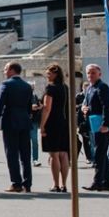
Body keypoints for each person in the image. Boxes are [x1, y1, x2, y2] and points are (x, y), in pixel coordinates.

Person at [0, 61, 33, 193]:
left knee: (12, 153)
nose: (4, 72)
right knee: (25, 154)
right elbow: (29, 107)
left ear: (11, 70)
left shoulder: (6, 84)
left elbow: (0, 103)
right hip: (24, 121)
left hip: (10, 120)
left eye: (5, 69)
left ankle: (16, 183)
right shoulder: (27, 86)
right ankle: (27, 183)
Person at [81, 63, 109, 192]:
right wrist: (84, 108)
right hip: (93, 123)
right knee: (102, 153)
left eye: (93, 73)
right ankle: (106, 182)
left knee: (99, 153)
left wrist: (105, 124)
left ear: (99, 74)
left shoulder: (102, 87)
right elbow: (86, 103)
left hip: (102, 125)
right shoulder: (89, 88)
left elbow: (107, 106)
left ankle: (97, 182)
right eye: (88, 73)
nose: (90, 75)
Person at [38, 63, 70, 193]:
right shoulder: (65, 87)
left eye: (49, 74)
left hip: (52, 122)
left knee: (54, 154)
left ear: (55, 74)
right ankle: (64, 184)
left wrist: (42, 125)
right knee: (63, 153)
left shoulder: (50, 88)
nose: (47, 76)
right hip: (64, 122)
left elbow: (47, 108)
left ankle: (56, 184)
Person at [29, 85, 43, 167]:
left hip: (33, 122)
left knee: (34, 141)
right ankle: (25, 158)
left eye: (32, 88)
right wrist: (31, 107)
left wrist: (39, 107)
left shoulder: (35, 96)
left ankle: (35, 159)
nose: (31, 89)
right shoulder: (22, 96)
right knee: (24, 142)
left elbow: (39, 105)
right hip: (25, 121)